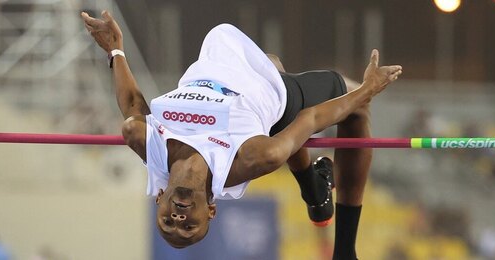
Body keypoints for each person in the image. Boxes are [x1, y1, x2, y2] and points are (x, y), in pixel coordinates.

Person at [81, 11, 402, 259]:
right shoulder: (248, 158)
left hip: (221, 58)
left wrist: (115, 51)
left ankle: (313, 188)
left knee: (273, 62)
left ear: (159, 200)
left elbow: (133, 104)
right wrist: (367, 90)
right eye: (189, 225)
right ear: (210, 210)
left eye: (169, 222)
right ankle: (345, 251)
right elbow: (311, 118)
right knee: (354, 107)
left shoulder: (144, 141)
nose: (179, 218)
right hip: (274, 95)